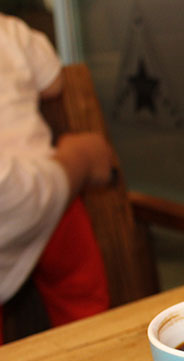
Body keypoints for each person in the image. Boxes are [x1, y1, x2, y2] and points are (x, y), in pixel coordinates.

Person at [0, 13, 114, 342]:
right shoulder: (12, 30)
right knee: (80, 292)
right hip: (54, 197)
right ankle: (92, 346)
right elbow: (54, 83)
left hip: (43, 186)